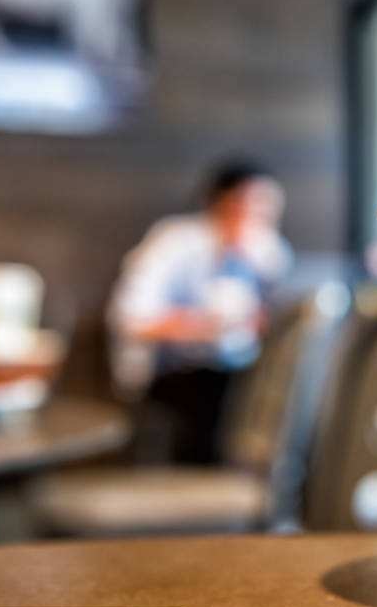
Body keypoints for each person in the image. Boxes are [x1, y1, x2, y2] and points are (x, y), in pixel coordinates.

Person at [109, 160, 292, 464]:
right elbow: (131, 318)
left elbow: (267, 319)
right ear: (218, 203)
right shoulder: (174, 242)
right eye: (248, 206)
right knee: (218, 400)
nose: (258, 218)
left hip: (239, 369)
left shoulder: (269, 252)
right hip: (171, 370)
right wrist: (204, 328)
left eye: (268, 210)